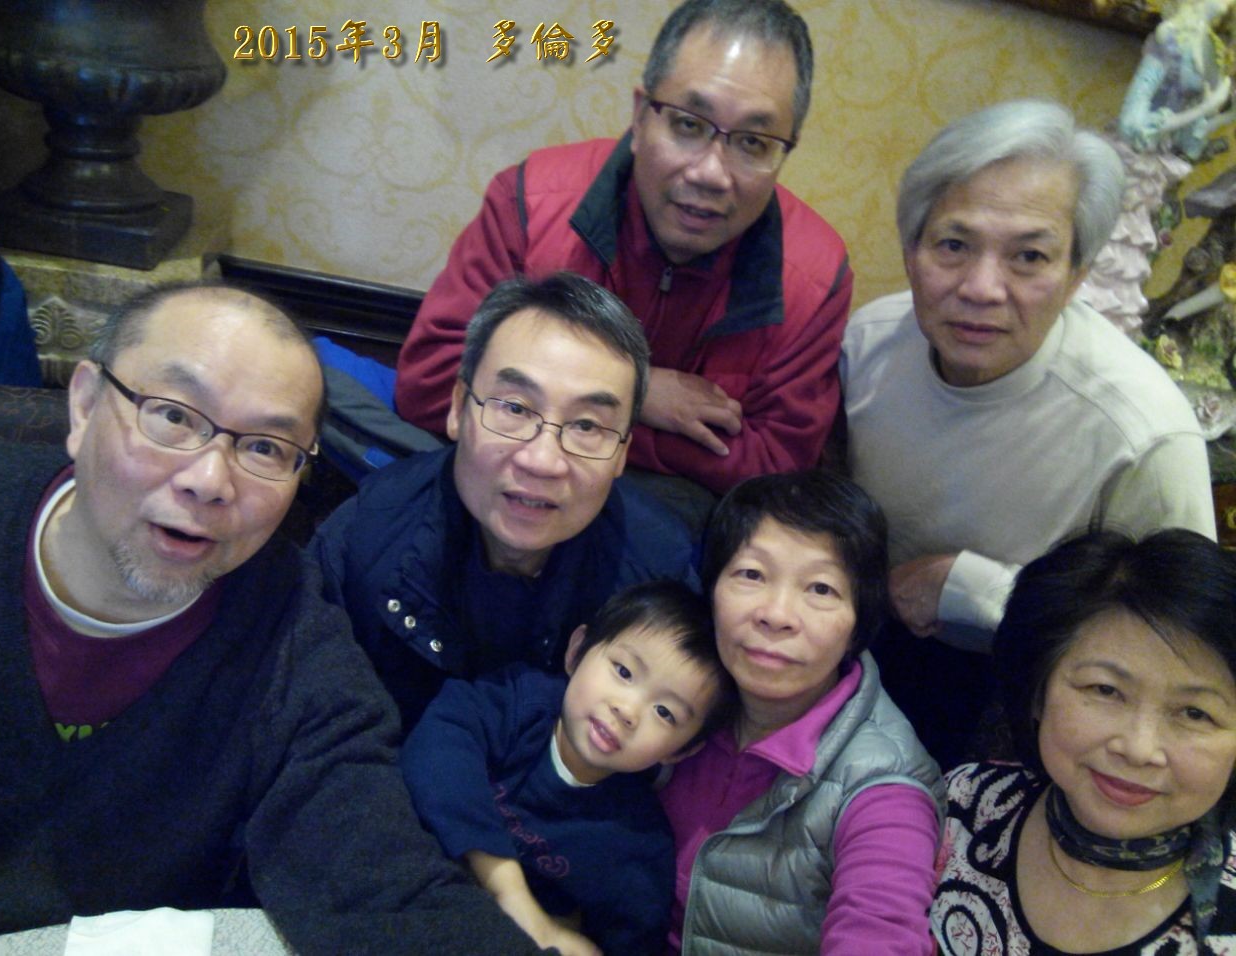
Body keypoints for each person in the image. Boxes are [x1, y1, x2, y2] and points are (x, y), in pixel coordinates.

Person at [0, 283, 539, 954]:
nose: (210, 480)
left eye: (265, 448)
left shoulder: (295, 646)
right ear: (85, 405)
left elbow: (385, 889)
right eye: (173, 415)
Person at [841, 98, 1216, 765]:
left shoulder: (1144, 432)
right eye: (953, 245)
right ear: (910, 250)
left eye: (1029, 257)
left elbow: (1177, 635)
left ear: (1076, 276)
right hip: (853, 633)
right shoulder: (867, 341)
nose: (982, 288)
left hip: (1026, 691)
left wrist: (974, 590)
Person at [394, 0, 852, 502]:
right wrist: (635, 393)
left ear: (786, 150)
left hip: (674, 521)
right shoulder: (530, 205)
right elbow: (431, 383)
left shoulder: (815, 277)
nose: (710, 174)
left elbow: (775, 471)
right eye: (688, 124)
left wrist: (579, 420)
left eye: (753, 142)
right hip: (511, 487)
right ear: (639, 116)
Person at [314, 273, 697, 734]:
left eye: (587, 426)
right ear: (459, 408)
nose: (542, 461)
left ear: (621, 453)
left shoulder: (659, 578)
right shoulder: (364, 535)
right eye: (514, 408)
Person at [658, 470, 945, 954]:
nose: (776, 614)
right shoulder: (675, 691)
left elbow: (881, 928)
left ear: (858, 625)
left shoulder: (884, 788)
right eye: (752, 574)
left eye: (821, 589)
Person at [933, 529, 1236, 954]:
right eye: (1105, 690)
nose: (1138, 749)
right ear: (1037, 691)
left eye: (1195, 713)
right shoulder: (962, 805)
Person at [401, 580, 736, 956]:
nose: (627, 711)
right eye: (624, 672)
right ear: (577, 651)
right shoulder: (516, 703)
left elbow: (632, 939)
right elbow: (435, 748)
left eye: (664, 712)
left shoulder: (638, 845)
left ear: (681, 750)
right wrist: (513, 896)